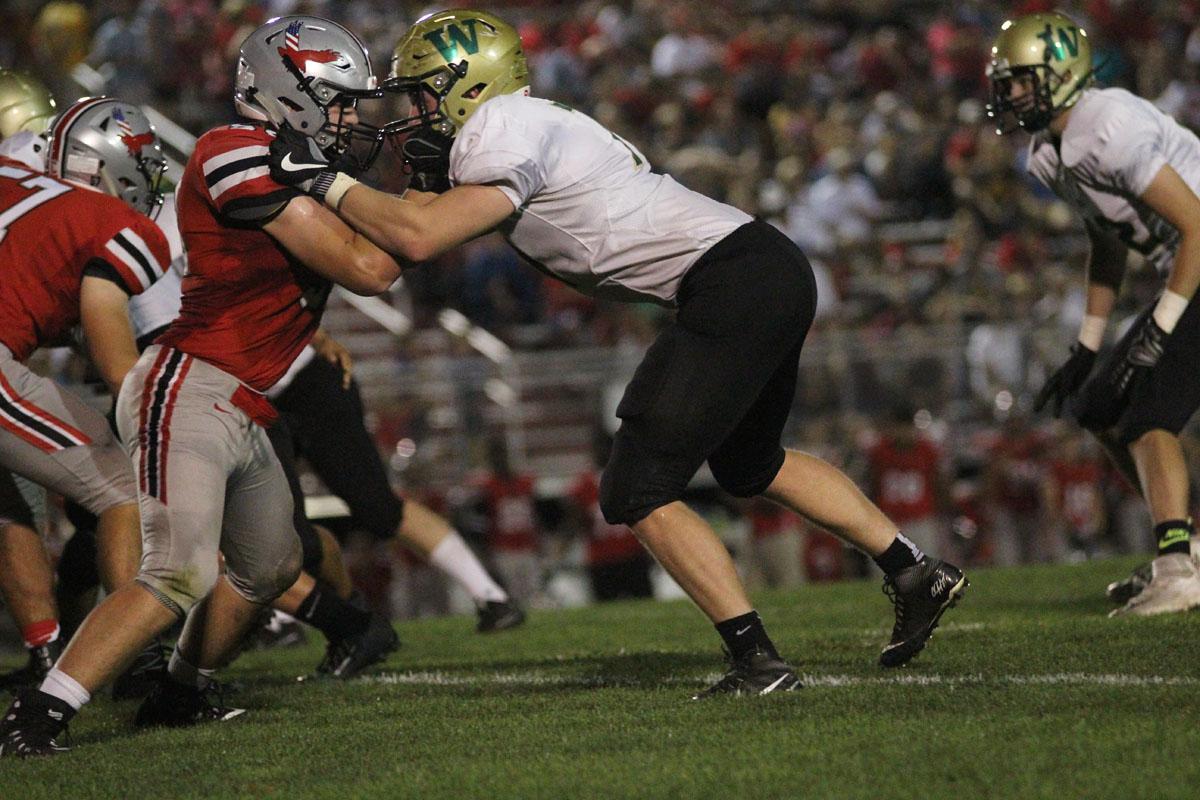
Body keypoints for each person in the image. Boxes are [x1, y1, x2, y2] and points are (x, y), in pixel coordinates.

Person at [267, 8, 968, 697]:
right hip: (757, 270)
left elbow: (417, 238)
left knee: (636, 489)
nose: (408, 115)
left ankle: (758, 660)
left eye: (420, 96)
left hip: (731, 280)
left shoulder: (500, 127)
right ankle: (914, 571)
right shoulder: (509, 129)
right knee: (749, 462)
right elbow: (385, 255)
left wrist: (321, 180)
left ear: (468, 87)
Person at [0, 16, 404, 757]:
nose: (350, 116)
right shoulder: (230, 149)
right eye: (338, 99)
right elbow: (373, 268)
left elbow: (371, 255)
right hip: (190, 385)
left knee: (273, 566)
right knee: (177, 567)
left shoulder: (275, 160)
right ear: (292, 93)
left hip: (246, 399)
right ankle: (42, 708)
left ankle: (180, 687)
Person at [987, 10, 1200, 614]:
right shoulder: (1049, 155)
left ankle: (1179, 568)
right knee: (1100, 407)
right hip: (1186, 273)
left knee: (1148, 416)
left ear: (1060, 73)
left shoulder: (1109, 123)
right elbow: (1107, 242)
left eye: (1020, 80)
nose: (1010, 94)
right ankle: (1187, 541)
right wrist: (1087, 344)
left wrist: (1157, 332)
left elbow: (1198, 226)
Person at [0, 95, 174, 753]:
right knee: (121, 487)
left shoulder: (11, 174)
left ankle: (46, 656)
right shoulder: (111, 221)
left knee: (12, 501)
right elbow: (111, 350)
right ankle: (133, 657)